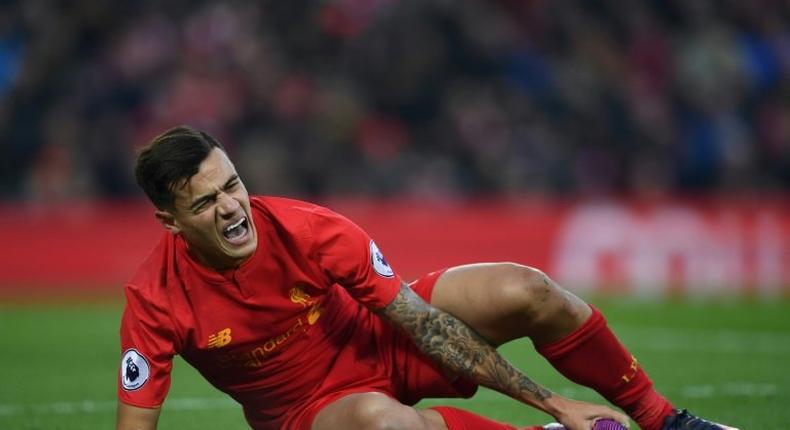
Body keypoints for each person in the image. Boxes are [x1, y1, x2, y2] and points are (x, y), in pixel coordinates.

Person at [117, 126, 738, 430]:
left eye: (233, 185)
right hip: (313, 412)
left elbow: (421, 323)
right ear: (169, 221)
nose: (232, 208)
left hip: (384, 339)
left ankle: (666, 422)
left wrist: (552, 395)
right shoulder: (154, 301)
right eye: (205, 204)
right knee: (385, 425)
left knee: (529, 290)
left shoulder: (311, 230)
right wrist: (555, 409)